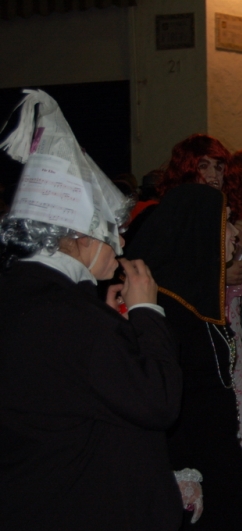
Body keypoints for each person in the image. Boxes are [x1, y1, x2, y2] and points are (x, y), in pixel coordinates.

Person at [0, 90, 182, 530]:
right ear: (76, 236)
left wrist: (98, 312)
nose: (120, 245)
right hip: (85, 505)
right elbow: (156, 400)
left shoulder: (26, 295)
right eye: (110, 232)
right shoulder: (68, 317)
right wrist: (146, 313)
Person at [126, 184, 242, 530]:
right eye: (224, 222)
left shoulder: (195, 302)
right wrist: (180, 472)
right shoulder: (164, 308)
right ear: (199, 227)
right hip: (197, 469)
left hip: (222, 461)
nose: (233, 234)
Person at [157, 134, 242, 466]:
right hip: (191, 361)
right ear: (187, 170)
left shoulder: (233, 225)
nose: (213, 174)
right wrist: (218, 276)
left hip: (234, 360)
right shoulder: (171, 223)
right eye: (203, 165)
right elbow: (164, 287)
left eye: (219, 166)